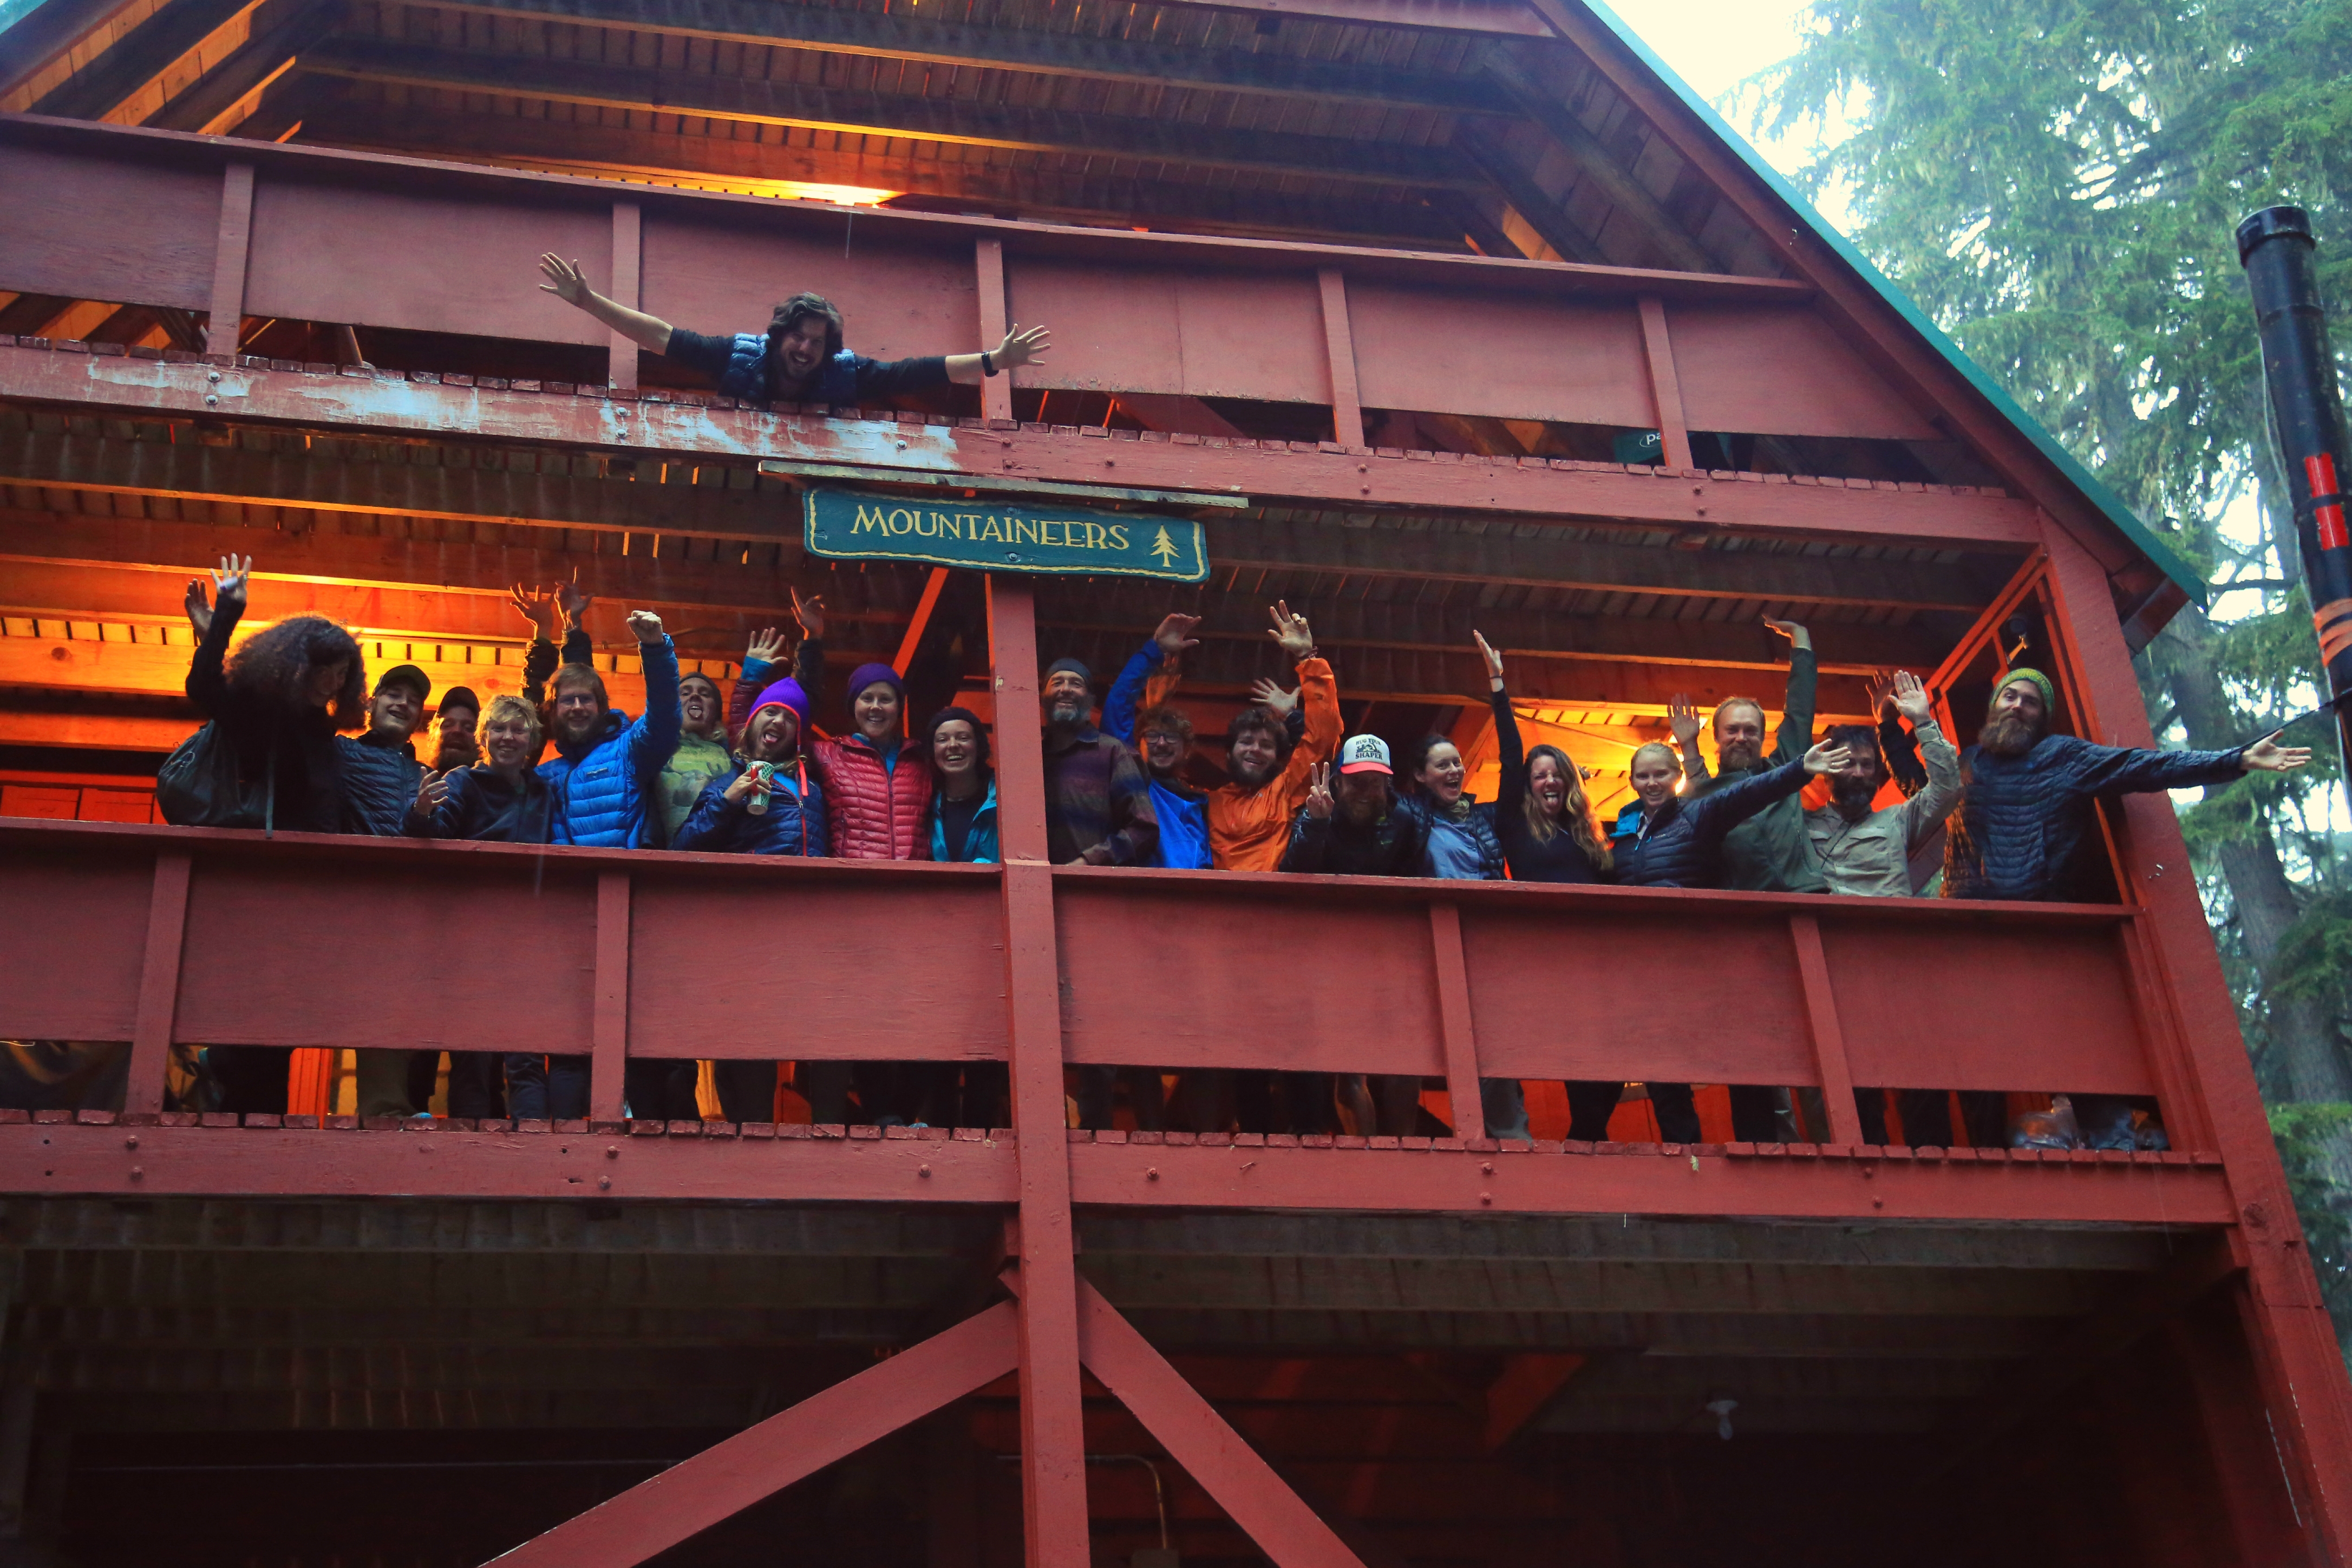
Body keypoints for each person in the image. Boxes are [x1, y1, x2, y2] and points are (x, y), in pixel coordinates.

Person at [1941, 667, 2308, 1147]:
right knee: (1975, 1040)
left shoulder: (2064, 757)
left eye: (2030, 701)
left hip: (2051, 927)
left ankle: (2113, 1136)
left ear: (2041, 716)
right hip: (1979, 931)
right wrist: (1891, 727)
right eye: (2010, 696)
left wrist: (2236, 760)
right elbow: (1921, 792)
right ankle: (1981, 1153)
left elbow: (2144, 767)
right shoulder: (1966, 767)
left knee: (2074, 1033)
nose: (2017, 706)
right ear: (1994, 705)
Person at [181, 556, 366, 1114]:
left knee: (284, 1011)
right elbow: (206, 688)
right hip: (267, 883)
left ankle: (254, 1108)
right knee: (256, 1005)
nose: (332, 682)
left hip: (310, 888)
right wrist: (226, 618)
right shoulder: (268, 714)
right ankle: (236, 1109)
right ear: (297, 665)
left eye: (341, 673)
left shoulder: (323, 731)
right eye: (324, 670)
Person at [1611, 732, 1852, 1144]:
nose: (1652, 783)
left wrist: (1798, 770)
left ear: (1677, 777)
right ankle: (1684, 1157)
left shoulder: (1696, 814)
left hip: (1706, 958)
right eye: (1643, 776)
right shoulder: (1623, 830)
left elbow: (1747, 794)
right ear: (1632, 780)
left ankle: (1758, 1149)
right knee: (1664, 1064)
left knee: (1736, 1056)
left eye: (1661, 774)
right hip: (1654, 966)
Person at [1677, 619, 1831, 1144]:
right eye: (1732, 729)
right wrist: (1689, 751)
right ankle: (1781, 1152)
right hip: (1748, 933)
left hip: (1807, 915)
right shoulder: (1705, 796)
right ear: (1718, 737)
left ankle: (1835, 1146)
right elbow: (1694, 803)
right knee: (1766, 1047)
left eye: (1750, 729)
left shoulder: (1787, 765)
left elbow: (1800, 710)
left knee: (1823, 1043)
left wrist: (1802, 645)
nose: (1741, 736)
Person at [537, 257, 1050, 408]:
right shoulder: (738, 357)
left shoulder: (843, 375)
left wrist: (992, 362)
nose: (806, 349)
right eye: (799, 338)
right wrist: (588, 301)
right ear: (780, 336)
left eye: (817, 342)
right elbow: (662, 338)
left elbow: (912, 373)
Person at [1801, 671, 1963, 1146]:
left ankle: (1938, 1175)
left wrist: (1921, 722)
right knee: (1853, 1084)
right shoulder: (1798, 825)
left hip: (1901, 966)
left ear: (1877, 774)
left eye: (1866, 766)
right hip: (1835, 970)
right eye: (1846, 763)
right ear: (1828, 769)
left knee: (1922, 1074)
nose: (1856, 773)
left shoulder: (1897, 821)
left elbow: (1948, 789)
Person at [1474, 633, 1623, 1140]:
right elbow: (1513, 751)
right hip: (1546, 956)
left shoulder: (1589, 836)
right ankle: (1587, 1141)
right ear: (1529, 786)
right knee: (1575, 1053)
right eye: (1539, 776)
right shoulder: (1517, 825)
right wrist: (1498, 686)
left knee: (1612, 1064)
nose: (1548, 781)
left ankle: (1586, 1137)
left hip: (1595, 956)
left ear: (1569, 781)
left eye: (1556, 773)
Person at [675, 675, 831, 1125]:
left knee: (813, 1031)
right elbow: (685, 848)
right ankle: (747, 1132)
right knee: (748, 1035)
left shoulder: (813, 787)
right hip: (749, 928)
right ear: (753, 722)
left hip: (807, 929)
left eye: (789, 717)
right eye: (771, 711)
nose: (779, 720)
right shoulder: (726, 780)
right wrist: (728, 800)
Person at [409, 692, 556, 1120]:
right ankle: (470, 1153)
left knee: (526, 1054)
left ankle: (534, 1153)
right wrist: (419, 813)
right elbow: (432, 830)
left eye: (518, 729)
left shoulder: (544, 789)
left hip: (529, 936)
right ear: (483, 737)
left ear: (531, 740)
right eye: (498, 729)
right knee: (473, 1052)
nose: (508, 737)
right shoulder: (463, 782)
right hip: (469, 937)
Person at [1280, 739, 1430, 1136]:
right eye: (1356, 782)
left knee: (1404, 1062)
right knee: (1346, 1066)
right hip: (1326, 958)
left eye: (1374, 783)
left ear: (1388, 784)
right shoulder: (1315, 811)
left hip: (1389, 956)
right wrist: (1316, 824)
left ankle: (1400, 1155)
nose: (1366, 791)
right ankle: (1363, 1151)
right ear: (1339, 783)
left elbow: (1420, 880)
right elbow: (1293, 873)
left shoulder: (1404, 820)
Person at [1387, 727, 1524, 1140]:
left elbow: (1514, 772)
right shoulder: (1411, 814)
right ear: (1421, 776)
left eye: (1457, 763)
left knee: (1495, 1043)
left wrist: (1499, 690)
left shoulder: (1483, 817)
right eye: (1442, 764)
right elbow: (1366, 785)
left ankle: (1508, 1139)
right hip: (1435, 942)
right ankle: (1405, 1143)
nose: (1454, 770)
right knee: (1420, 1042)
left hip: (1489, 941)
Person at [538, 608, 683, 848]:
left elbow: (664, 718)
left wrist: (656, 650)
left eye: (585, 699)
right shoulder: (543, 776)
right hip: (563, 884)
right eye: (567, 700)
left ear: (601, 707)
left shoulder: (627, 752)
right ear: (553, 710)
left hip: (620, 883)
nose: (577, 707)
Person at [925, 706, 1007, 1128]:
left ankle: (983, 1141)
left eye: (963, 737)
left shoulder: (1003, 796)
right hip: (936, 943)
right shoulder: (926, 800)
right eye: (943, 739)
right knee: (938, 1048)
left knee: (986, 1050)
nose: (953, 746)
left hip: (992, 939)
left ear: (979, 745)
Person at [1100, 617, 1215, 870]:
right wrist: (1154, 650)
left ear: (1187, 750)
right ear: (1136, 744)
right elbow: (1118, 707)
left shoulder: (1202, 803)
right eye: (1152, 736)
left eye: (1172, 737)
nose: (1161, 743)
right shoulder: (1136, 785)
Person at [429, 685, 481, 773]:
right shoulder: (415, 782)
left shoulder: (494, 786)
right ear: (433, 734)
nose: (457, 730)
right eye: (448, 725)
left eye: (468, 728)